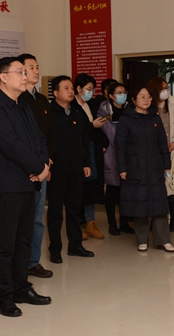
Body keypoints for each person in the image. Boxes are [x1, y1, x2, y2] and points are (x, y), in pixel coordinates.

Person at [0, 57, 52, 317]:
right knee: (4, 244)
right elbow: (10, 145)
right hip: (5, 185)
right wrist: (38, 167)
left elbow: (39, 138)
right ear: (3, 77)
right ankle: (3, 297)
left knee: (24, 240)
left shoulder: (22, 105)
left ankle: (21, 287)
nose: (25, 76)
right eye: (20, 72)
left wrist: (42, 164)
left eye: (26, 72)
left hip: (28, 182)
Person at [115, 86, 174, 253]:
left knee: (159, 205)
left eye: (148, 96)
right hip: (135, 168)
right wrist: (122, 168)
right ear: (133, 100)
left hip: (155, 168)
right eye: (142, 96)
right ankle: (142, 240)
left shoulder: (155, 118)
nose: (146, 99)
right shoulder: (126, 120)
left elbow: (162, 143)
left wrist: (166, 164)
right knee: (139, 205)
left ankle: (163, 240)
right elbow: (119, 146)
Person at [47, 75, 95, 262]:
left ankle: (75, 245)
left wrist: (86, 163)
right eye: (66, 88)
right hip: (56, 170)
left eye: (71, 88)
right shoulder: (49, 113)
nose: (70, 91)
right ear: (55, 92)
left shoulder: (77, 111)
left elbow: (84, 139)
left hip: (76, 169)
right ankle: (55, 250)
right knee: (55, 212)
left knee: (74, 210)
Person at [16, 54, 55, 279]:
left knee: (38, 218)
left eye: (37, 67)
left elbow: (49, 133)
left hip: (42, 166)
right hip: (24, 168)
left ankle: (33, 261)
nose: (36, 71)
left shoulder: (41, 100)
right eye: (31, 67)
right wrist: (34, 164)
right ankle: (20, 263)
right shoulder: (18, 101)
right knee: (22, 219)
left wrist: (47, 162)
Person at [147, 77, 174, 232]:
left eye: (166, 88)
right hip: (154, 153)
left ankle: (173, 219)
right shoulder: (148, 107)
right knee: (156, 188)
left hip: (171, 151)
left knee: (173, 188)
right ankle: (155, 219)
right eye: (162, 88)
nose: (165, 91)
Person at [73, 73, 109, 240]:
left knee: (91, 187)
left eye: (93, 90)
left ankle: (91, 223)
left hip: (92, 150)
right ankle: (77, 224)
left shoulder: (90, 105)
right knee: (78, 189)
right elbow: (76, 131)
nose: (90, 93)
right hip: (78, 152)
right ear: (78, 88)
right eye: (88, 89)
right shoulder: (72, 106)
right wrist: (91, 125)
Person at [96, 81, 134, 235]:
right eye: (118, 93)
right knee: (112, 192)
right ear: (111, 95)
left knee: (126, 192)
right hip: (111, 155)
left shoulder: (130, 110)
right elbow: (100, 133)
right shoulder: (103, 111)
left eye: (124, 92)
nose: (122, 95)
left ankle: (124, 222)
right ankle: (112, 223)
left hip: (127, 155)